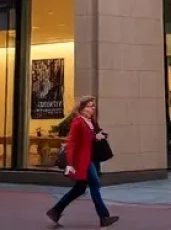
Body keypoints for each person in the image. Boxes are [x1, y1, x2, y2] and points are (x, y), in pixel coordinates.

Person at [46, 96, 119, 228]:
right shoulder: (78, 122)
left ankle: (56, 210)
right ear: (82, 108)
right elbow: (72, 143)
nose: (92, 108)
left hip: (91, 159)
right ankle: (104, 217)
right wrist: (70, 163)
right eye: (90, 106)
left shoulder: (90, 121)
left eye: (93, 106)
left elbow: (90, 139)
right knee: (95, 185)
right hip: (83, 161)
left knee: (79, 189)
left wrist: (99, 136)